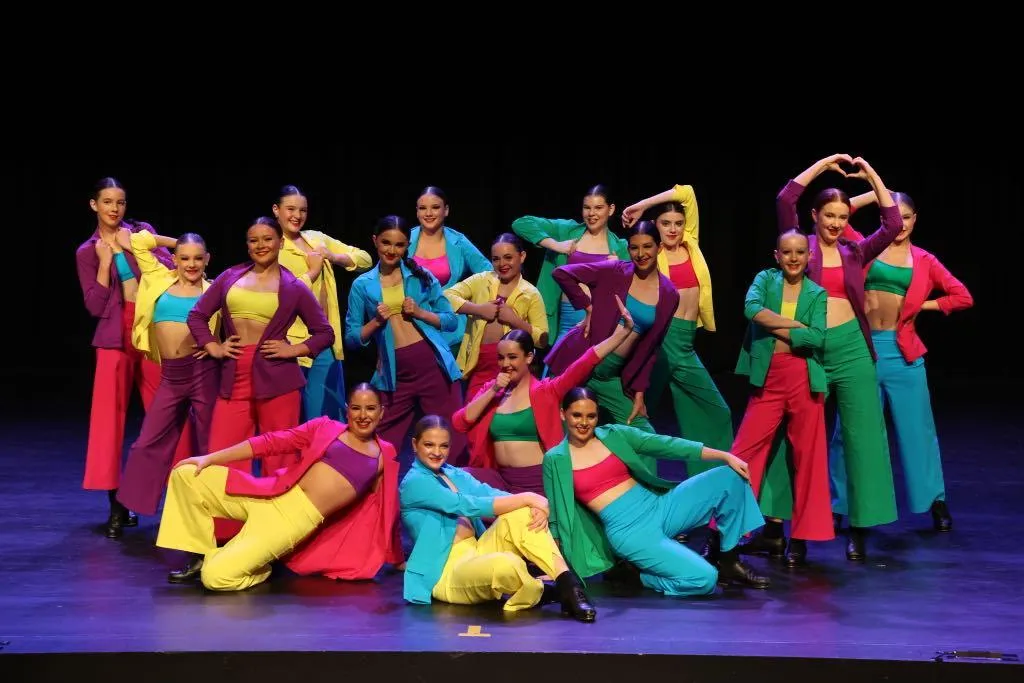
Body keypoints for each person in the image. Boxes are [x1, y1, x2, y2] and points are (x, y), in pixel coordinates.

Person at [157, 384, 403, 590]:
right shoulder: (325, 427)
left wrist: (397, 558)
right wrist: (209, 458)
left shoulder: (383, 457)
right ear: (347, 411)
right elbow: (271, 442)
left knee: (216, 578)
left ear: (381, 412)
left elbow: (385, 510)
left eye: (370, 409)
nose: (363, 415)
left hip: (290, 522)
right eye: (356, 408)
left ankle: (259, 566)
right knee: (186, 474)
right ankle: (200, 553)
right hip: (267, 492)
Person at [400, 415, 595, 622]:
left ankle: (569, 586)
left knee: (521, 513)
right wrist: (530, 498)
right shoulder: (414, 482)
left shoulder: (452, 474)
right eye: (429, 445)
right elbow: (467, 505)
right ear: (415, 444)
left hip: (478, 549)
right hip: (447, 570)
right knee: (506, 564)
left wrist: (534, 504)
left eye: (444, 446)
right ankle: (543, 591)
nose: (437, 452)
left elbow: (489, 493)